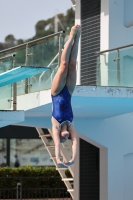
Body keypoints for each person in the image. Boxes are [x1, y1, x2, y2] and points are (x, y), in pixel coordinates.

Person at [51, 25, 81, 168]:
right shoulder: (71, 124)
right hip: (68, 91)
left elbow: (56, 144)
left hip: (56, 92)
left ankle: (71, 37)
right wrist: (73, 159)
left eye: (64, 139)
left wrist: (58, 160)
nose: (67, 138)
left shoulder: (56, 126)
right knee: (73, 65)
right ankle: (78, 38)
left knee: (63, 65)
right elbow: (75, 143)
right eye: (67, 138)